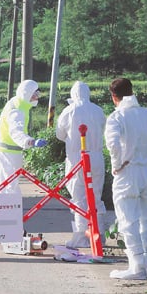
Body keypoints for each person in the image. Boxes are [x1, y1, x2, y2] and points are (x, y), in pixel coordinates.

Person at [105, 78, 147, 280]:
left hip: (127, 172)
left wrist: (117, 165)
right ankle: (146, 266)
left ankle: (136, 267)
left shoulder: (117, 117)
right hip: (146, 171)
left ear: (114, 97)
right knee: (144, 219)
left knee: (127, 221)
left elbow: (113, 144)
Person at [56, 81, 107, 249]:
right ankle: (99, 236)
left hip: (77, 159)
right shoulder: (98, 110)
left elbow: (59, 134)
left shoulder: (69, 111)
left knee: (78, 198)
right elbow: (103, 129)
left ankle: (80, 238)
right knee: (95, 197)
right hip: (97, 158)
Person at [0, 79, 48, 194]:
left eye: (38, 94)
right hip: (6, 155)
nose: (37, 97)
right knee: (8, 190)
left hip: (8, 153)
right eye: (35, 94)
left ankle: (7, 211)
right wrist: (31, 142)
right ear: (27, 94)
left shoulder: (19, 103)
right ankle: (8, 212)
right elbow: (16, 132)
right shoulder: (17, 111)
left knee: (6, 189)